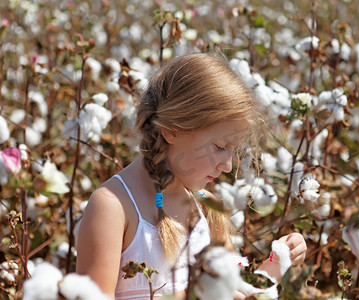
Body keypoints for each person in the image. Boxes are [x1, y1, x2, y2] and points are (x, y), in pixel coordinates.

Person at [76, 53, 307, 299]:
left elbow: (237, 288)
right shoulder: (113, 208)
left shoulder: (207, 208)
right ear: (171, 131)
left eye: (233, 150)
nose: (228, 166)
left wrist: (276, 262)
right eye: (219, 146)